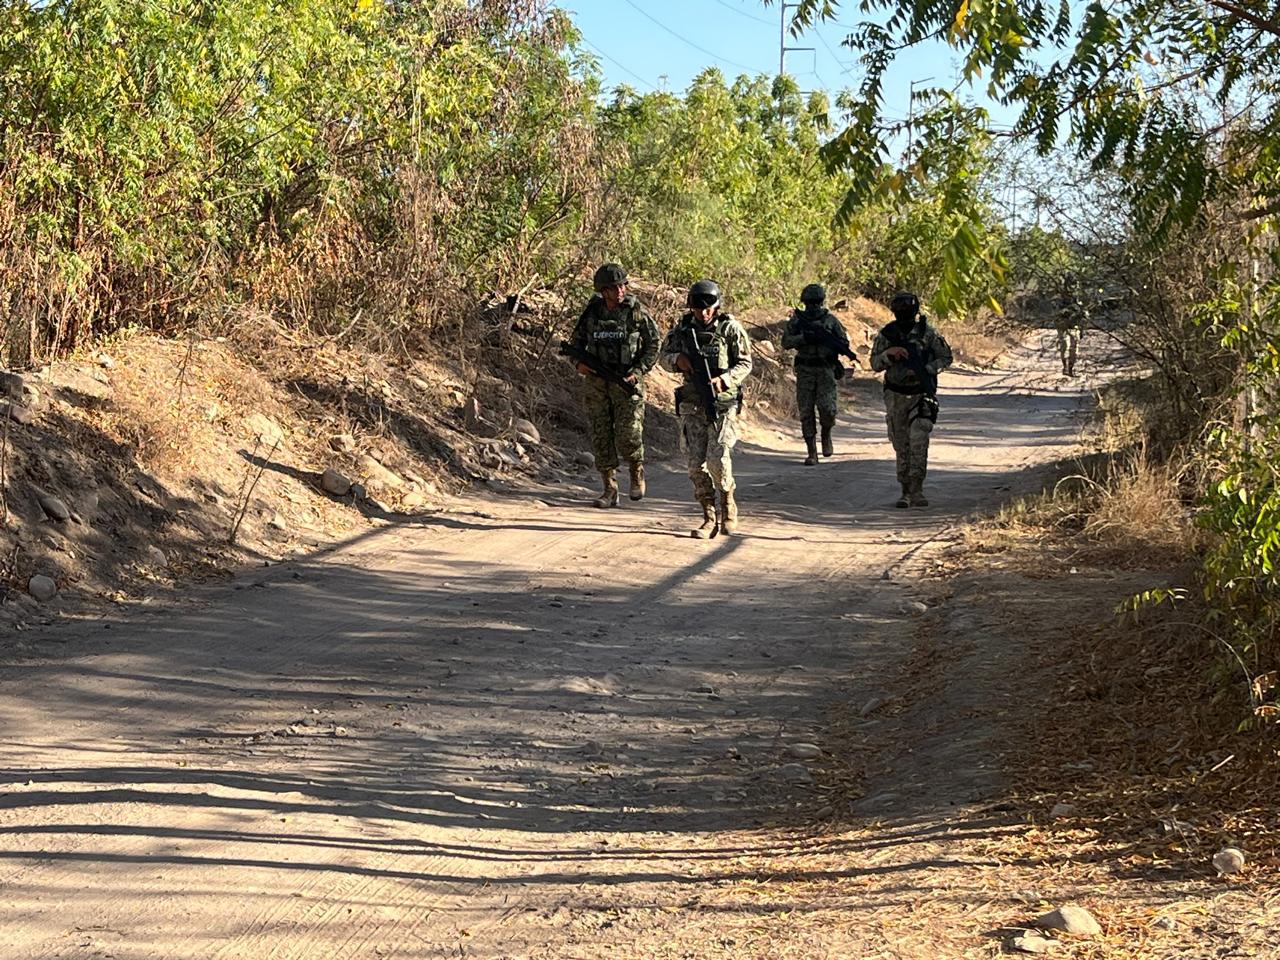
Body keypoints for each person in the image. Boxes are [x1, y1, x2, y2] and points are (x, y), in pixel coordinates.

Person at [661, 279, 753, 538]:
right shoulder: (681, 330)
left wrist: (726, 379)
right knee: (694, 465)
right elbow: (662, 357)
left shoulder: (730, 329)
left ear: (717, 306)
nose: (704, 313)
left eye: (709, 308)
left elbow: (745, 363)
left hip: (722, 405)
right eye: (699, 309)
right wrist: (676, 360)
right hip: (692, 405)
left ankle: (728, 505)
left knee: (718, 460)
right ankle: (708, 515)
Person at [569, 263, 660, 507]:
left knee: (629, 433)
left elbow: (654, 344)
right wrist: (578, 362)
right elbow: (575, 343)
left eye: (622, 285)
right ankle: (609, 489)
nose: (620, 291)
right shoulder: (593, 312)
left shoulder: (635, 311)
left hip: (626, 382)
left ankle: (635, 471)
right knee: (601, 435)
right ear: (602, 290)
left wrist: (638, 371)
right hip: (597, 384)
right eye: (613, 287)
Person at [870, 291, 953, 508]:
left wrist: (927, 369)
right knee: (901, 444)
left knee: (919, 438)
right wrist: (890, 354)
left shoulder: (927, 333)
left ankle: (917, 489)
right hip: (895, 395)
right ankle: (904, 491)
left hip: (920, 393)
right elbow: (874, 364)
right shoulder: (887, 335)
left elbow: (945, 357)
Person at [780, 283, 853, 465]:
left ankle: (826, 433)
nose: (812, 307)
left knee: (827, 409)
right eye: (809, 303)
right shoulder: (797, 321)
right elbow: (786, 342)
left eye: (816, 303)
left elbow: (843, 342)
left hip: (825, 369)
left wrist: (828, 342)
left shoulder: (830, 321)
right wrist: (804, 338)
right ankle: (811, 452)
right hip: (805, 370)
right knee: (806, 411)